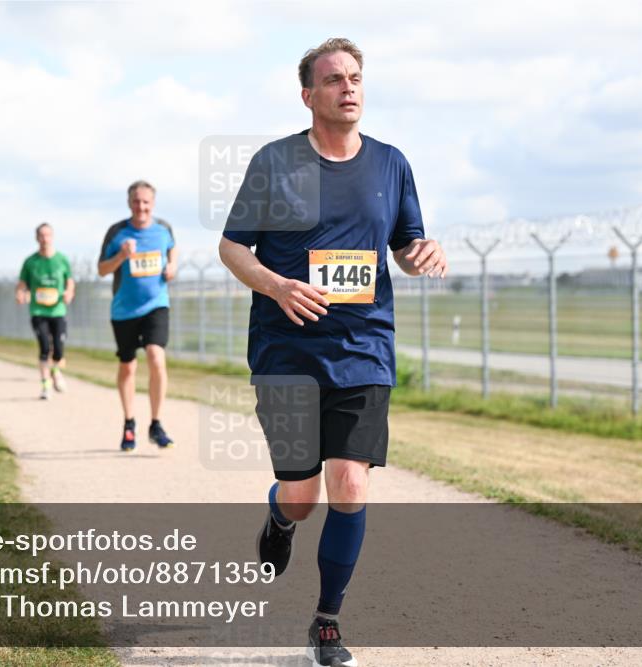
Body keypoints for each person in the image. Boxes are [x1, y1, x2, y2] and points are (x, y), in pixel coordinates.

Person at [218, 38, 448, 667]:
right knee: (302, 494)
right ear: (308, 95)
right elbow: (233, 248)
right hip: (285, 350)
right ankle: (280, 517)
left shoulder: (391, 163)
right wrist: (278, 285)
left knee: (349, 484)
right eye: (334, 80)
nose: (349, 88)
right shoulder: (274, 162)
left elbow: (404, 243)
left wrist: (422, 252)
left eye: (355, 78)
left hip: (363, 349)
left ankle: (326, 619)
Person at [98, 180, 178, 451]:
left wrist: (173, 266)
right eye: (136, 201)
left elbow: (172, 249)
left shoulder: (164, 228)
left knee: (156, 356)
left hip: (156, 304)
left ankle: (156, 423)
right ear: (129, 203)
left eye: (145, 202)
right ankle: (129, 422)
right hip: (124, 310)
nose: (141, 207)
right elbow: (101, 270)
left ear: (152, 203)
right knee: (128, 366)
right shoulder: (117, 232)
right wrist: (121, 255)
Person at [16, 223, 76, 400]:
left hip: (57, 310)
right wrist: (20, 294)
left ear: (53, 237)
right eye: (41, 235)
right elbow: (22, 284)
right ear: (36, 238)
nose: (44, 239)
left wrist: (69, 292)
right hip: (38, 311)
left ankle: (56, 371)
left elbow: (70, 281)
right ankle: (45, 385)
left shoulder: (62, 260)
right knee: (44, 347)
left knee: (58, 349)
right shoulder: (31, 262)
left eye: (47, 235)